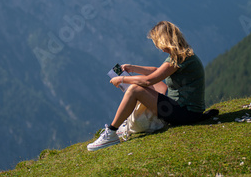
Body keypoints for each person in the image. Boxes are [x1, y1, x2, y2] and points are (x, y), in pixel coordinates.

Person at [87, 20, 218, 151]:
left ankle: (111, 132)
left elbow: (149, 81)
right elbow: (158, 71)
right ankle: (126, 124)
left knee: (134, 89)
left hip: (186, 113)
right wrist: (132, 68)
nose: (157, 46)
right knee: (143, 83)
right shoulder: (182, 54)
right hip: (185, 109)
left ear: (163, 40)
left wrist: (122, 79)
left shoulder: (179, 57)